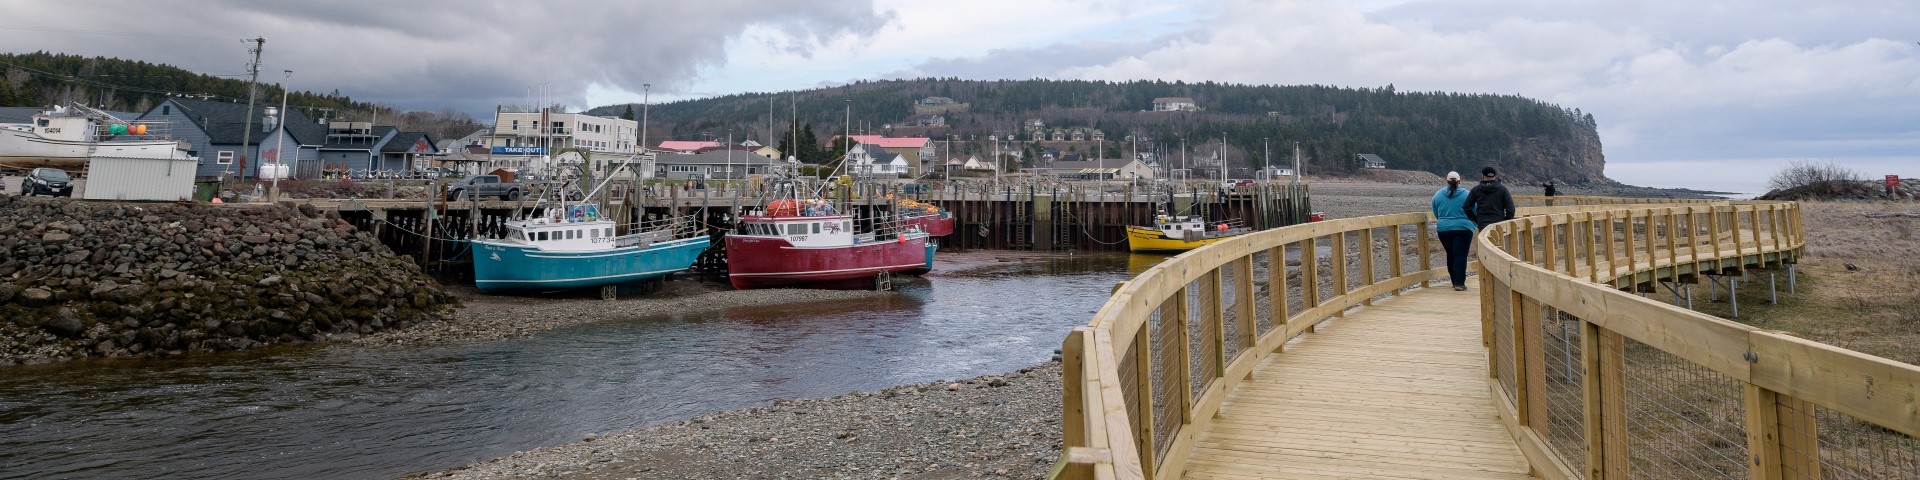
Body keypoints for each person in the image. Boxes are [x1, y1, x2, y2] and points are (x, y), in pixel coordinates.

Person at [1431, 171, 1477, 291]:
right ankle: (1459, 283)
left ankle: (1454, 281)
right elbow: (1475, 209)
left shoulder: (1438, 195)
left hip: (1444, 229)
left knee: (1451, 254)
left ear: (1447, 181)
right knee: (1460, 255)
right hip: (1464, 228)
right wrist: (1474, 222)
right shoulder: (1467, 194)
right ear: (1459, 181)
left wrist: (1443, 221)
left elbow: (1436, 212)